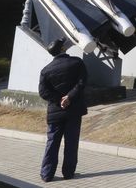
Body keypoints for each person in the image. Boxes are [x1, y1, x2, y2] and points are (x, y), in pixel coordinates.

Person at [38, 38, 88, 182]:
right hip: (73, 110)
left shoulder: (46, 70)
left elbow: (43, 92)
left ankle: (46, 174)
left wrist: (59, 99)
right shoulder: (77, 62)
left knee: (52, 143)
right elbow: (82, 83)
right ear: (62, 50)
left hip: (54, 112)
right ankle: (68, 173)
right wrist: (69, 97)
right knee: (71, 143)